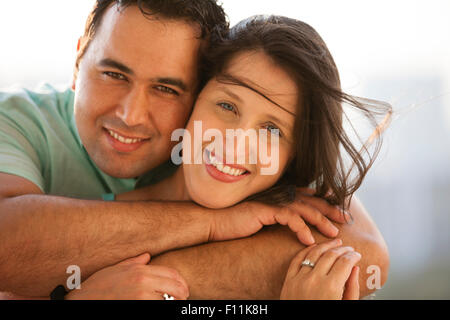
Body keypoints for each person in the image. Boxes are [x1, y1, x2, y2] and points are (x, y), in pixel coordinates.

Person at [0, 1, 388, 300]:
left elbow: (368, 252)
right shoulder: (24, 128)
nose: (131, 115)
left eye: (166, 88)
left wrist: (156, 281)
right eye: (227, 106)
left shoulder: (293, 216)